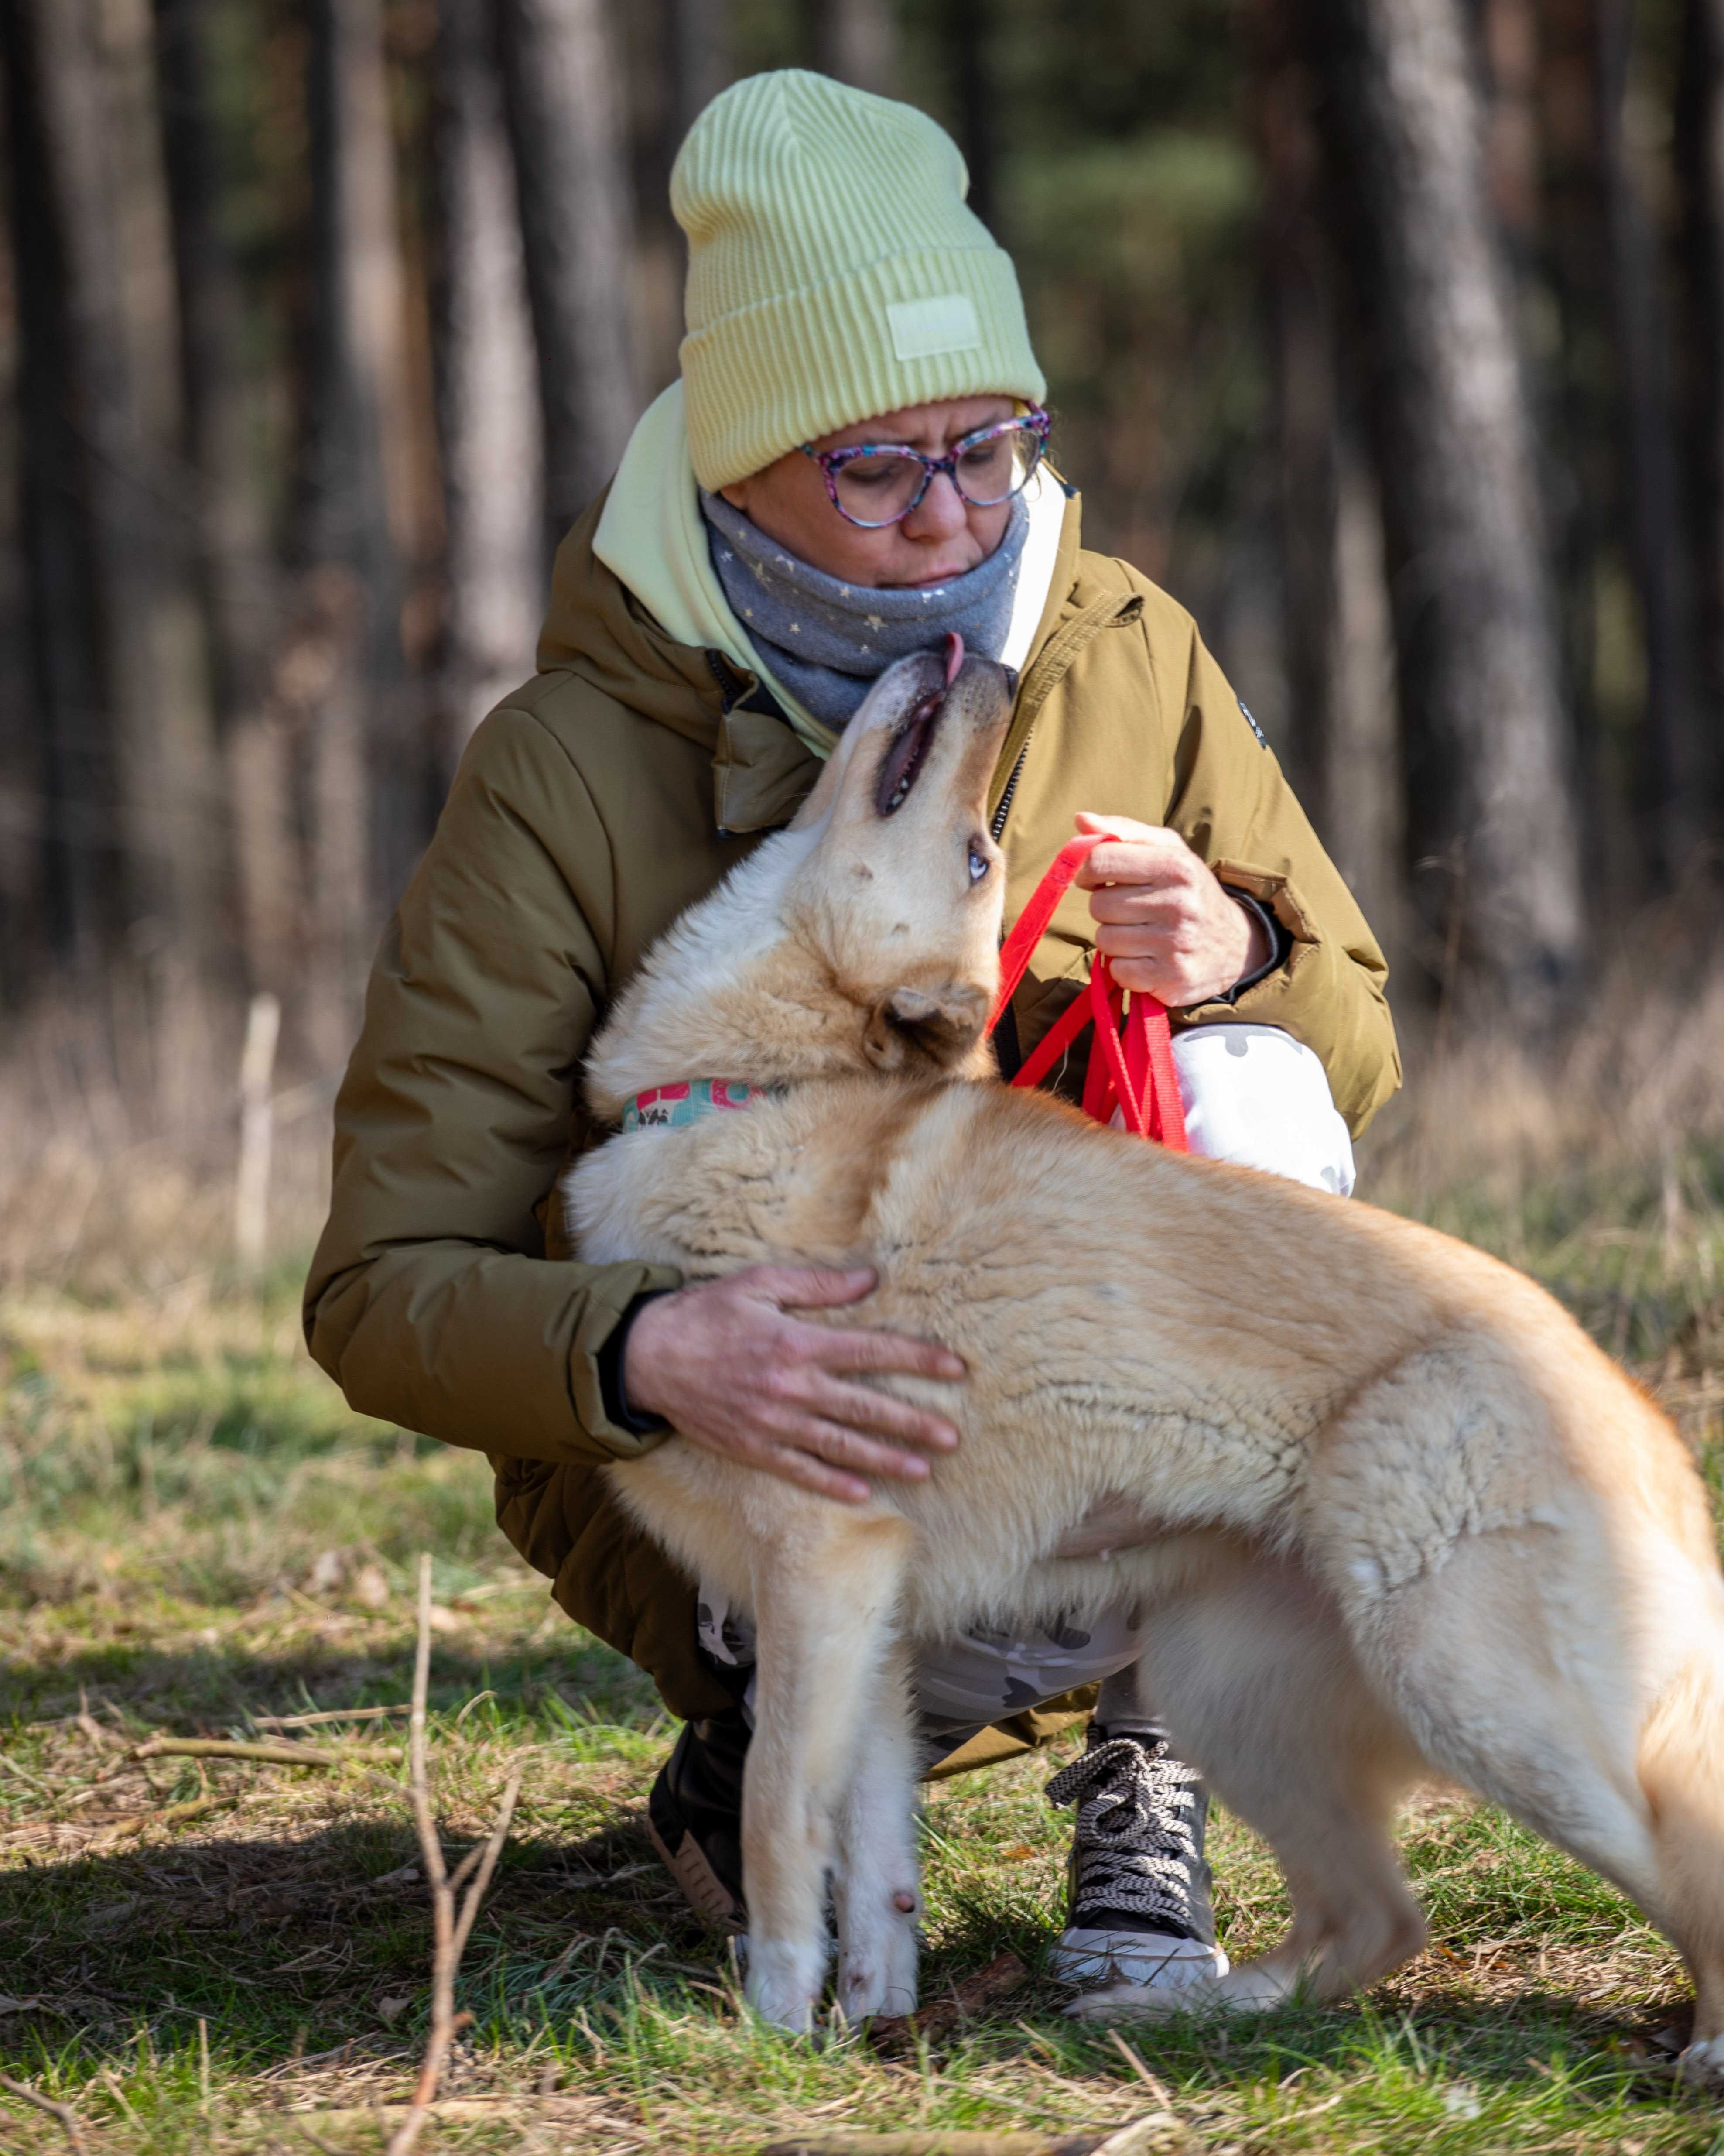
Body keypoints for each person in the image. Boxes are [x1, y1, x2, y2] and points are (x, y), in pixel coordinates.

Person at [304, 69, 1399, 1994]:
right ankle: (779, 1745)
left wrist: (1232, 952)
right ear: (738, 468)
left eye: (987, 445)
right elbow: (382, 1288)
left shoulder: (1124, 646)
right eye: (874, 466)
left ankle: (1162, 1760)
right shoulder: (567, 770)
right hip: (756, 1447)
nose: (951, 513)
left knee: (1254, 1083)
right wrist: (648, 1347)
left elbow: (1352, 1054)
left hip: (1107, 1397)